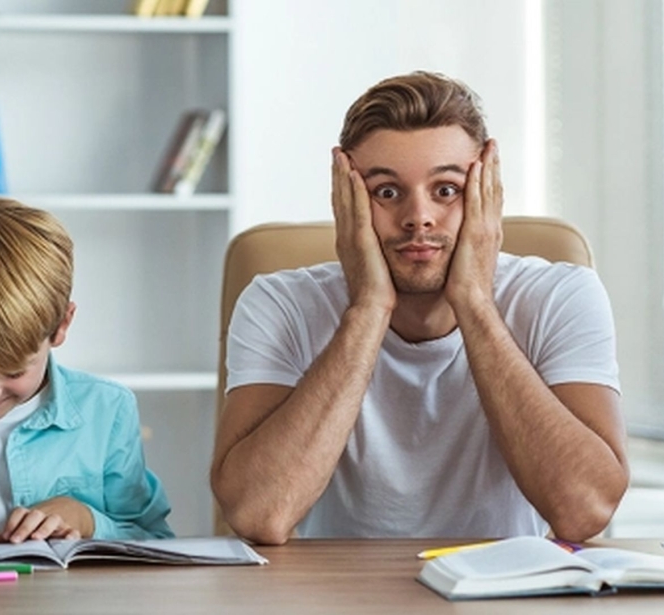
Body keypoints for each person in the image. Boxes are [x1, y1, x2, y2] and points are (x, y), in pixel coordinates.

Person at [210, 71, 629, 544]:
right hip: (333, 595)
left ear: (487, 192)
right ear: (345, 200)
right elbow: (257, 513)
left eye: (446, 189)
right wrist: (368, 309)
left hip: (501, 595)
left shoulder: (561, 294)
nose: (419, 217)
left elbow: (584, 511)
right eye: (386, 192)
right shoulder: (278, 303)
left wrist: (474, 301)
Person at [0, 198, 173, 545]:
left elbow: (156, 540)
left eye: (12, 371)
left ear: (60, 326)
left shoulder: (106, 412)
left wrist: (87, 520)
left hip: (58, 600)